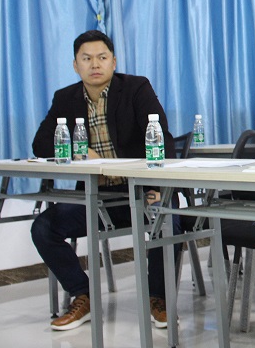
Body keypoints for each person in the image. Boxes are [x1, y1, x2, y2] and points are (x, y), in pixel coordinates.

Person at [30, 30, 178, 331]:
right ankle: (82, 294)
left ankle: (158, 297)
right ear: (76, 65)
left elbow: (161, 139)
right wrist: (80, 150)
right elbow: (40, 144)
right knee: (44, 227)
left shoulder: (136, 88)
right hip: (96, 199)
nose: (94, 64)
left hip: (140, 191)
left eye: (102, 57)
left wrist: (156, 187)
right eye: (86, 59)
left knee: (168, 220)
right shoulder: (66, 98)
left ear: (114, 61)